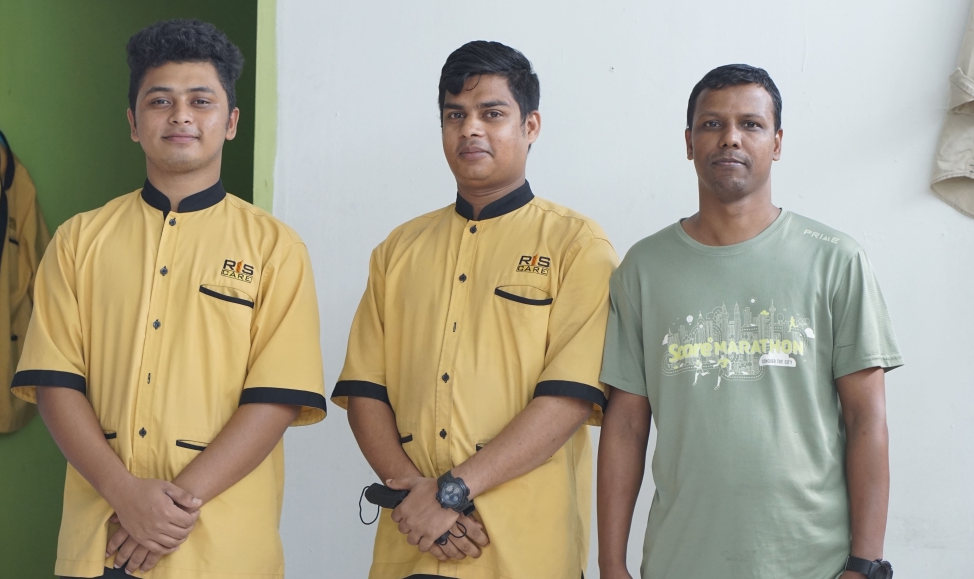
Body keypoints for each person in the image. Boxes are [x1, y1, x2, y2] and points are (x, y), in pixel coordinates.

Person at [11, 19, 327, 578]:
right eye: (160, 101)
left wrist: (166, 511)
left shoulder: (277, 249)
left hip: (224, 552)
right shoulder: (80, 240)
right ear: (134, 123)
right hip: (100, 541)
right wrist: (124, 494)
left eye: (200, 100)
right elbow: (55, 383)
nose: (180, 115)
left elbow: (275, 399)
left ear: (230, 122)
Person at [597, 64, 902, 579]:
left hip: (814, 563)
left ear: (777, 142)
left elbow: (866, 420)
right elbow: (625, 424)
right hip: (680, 560)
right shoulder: (642, 269)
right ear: (689, 142)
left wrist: (865, 564)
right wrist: (611, 565)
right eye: (712, 124)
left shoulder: (836, 260)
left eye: (751, 125)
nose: (730, 138)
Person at [332, 40, 617, 579]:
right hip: (413, 544)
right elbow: (366, 392)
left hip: (526, 549)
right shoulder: (398, 250)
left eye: (492, 114)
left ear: (530, 126)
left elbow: (569, 399)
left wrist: (451, 492)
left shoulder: (578, 247)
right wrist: (421, 499)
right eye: (454, 115)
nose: (470, 130)